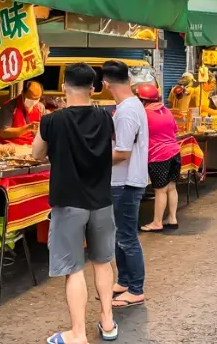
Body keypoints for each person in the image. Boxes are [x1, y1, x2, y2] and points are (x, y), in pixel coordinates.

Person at [32, 63, 118, 344]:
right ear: (93, 89)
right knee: (104, 263)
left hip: (69, 203)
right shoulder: (106, 118)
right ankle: (107, 322)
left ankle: (78, 334)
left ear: (65, 86)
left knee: (74, 268)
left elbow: (36, 154)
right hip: (102, 201)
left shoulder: (52, 121)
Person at [102, 61, 149, 308]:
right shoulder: (130, 106)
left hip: (126, 182)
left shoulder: (127, 110)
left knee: (127, 237)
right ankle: (124, 281)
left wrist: (94, 157)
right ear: (129, 80)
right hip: (124, 181)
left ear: (105, 85)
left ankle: (136, 288)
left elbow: (122, 152)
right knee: (121, 234)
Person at [136, 84, 182, 233]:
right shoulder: (167, 111)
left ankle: (157, 222)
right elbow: (174, 130)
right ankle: (172, 218)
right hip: (175, 152)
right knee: (172, 187)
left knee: (160, 190)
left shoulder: (144, 114)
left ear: (142, 100)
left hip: (159, 155)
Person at [0, 80, 43, 145]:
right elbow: (4, 133)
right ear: (23, 93)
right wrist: (28, 128)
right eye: (31, 98)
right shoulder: (9, 107)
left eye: (37, 99)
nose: (34, 101)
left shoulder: (40, 107)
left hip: (31, 145)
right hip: (11, 145)